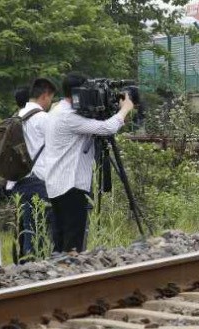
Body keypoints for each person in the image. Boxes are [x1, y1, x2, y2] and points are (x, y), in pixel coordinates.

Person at [41, 73, 134, 253]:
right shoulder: (68, 117)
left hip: (56, 184)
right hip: (71, 185)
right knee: (73, 240)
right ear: (78, 92)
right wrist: (125, 109)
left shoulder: (56, 110)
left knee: (60, 237)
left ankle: (60, 273)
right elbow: (106, 128)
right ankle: (71, 274)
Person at [8, 78, 56, 261]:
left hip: (18, 181)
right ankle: (37, 268)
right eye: (50, 98)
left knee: (25, 227)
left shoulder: (17, 116)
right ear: (45, 96)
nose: (50, 102)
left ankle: (25, 266)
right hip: (38, 180)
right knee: (40, 227)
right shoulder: (43, 118)